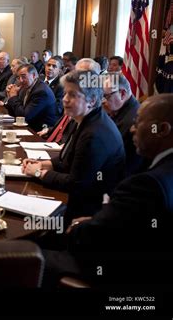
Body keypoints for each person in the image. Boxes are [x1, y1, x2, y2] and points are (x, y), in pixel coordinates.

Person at [56, 94, 173, 287]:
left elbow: (95, 237)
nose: (133, 129)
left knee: (25, 253)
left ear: (162, 130)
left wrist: (79, 227)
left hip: (115, 272)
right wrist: (99, 221)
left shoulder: (147, 184)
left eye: (138, 122)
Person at [22, 70, 125, 224]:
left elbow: (75, 184)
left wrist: (37, 172)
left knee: (25, 218)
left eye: (72, 95)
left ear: (91, 100)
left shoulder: (94, 133)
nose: (64, 100)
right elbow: (67, 159)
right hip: (77, 200)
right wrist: (42, 163)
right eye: (65, 94)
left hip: (87, 213)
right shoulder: (85, 119)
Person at [102, 73, 145, 176]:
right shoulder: (119, 111)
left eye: (105, 96)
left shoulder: (132, 121)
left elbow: (124, 168)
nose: (102, 101)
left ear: (122, 94)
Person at [3, 64, 57, 131]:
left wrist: (13, 97)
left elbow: (23, 117)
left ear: (34, 75)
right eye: (18, 77)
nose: (21, 80)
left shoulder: (41, 92)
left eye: (23, 76)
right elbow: (15, 112)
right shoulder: (25, 87)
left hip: (40, 132)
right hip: (27, 127)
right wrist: (10, 95)